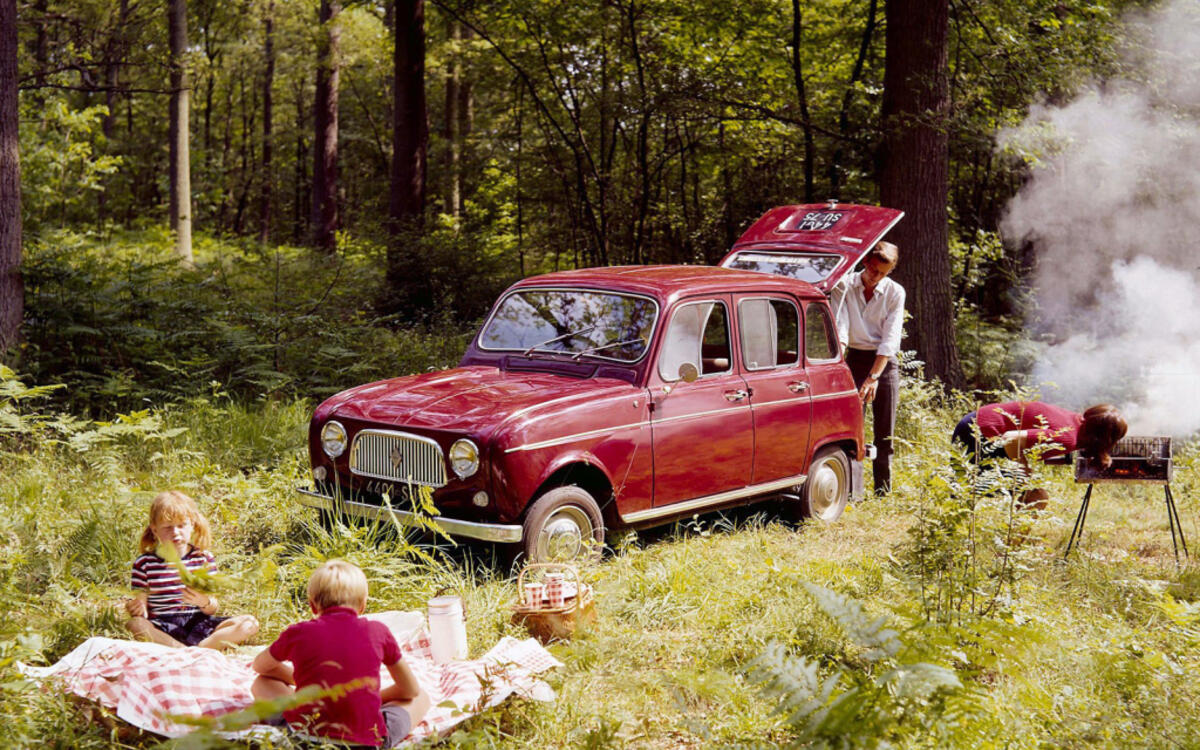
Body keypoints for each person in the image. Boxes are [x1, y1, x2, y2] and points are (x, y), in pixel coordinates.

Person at [251, 559, 431, 748]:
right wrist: (373, 697)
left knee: (262, 683)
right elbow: (410, 689)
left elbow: (260, 666)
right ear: (363, 605)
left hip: (305, 738)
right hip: (366, 742)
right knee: (421, 697)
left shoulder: (298, 632)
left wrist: (308, 685)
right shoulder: (378, 631)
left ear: (312, 606)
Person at [125, 490, 259, 649]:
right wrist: (137, 608)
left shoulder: (203, 559)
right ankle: (185, 650)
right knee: (135, 624)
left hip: (199, 624)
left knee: (249, 623)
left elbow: (212, 608)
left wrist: (204, 601)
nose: (175, 533)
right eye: (167, 527)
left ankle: (198, 648)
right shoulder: (145, 564)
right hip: (163, 627)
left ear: (192, 525)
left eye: (181, 526)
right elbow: (141, 608)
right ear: (155, 530)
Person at [951, 402, 1128, 507]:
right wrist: (1024, 472)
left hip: (975, 421)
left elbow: (1036, 442)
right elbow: (1012, 439)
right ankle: (1009, 553)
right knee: (1037, 498)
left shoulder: (1075, 422)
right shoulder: (1067, 437)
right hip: (979, 432)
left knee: (965, 488)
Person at [831, 241, 905, 495]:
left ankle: (883, 490)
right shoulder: (845, 285)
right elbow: (839, 328)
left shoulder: (895, 293)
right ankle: (854, 491)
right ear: (866, 263)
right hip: (854, 358)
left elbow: (890, 339)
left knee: (885, 429)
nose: (877, 278)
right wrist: (836, 365)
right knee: (853, 427)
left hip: (884, 364)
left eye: (884, 274)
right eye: (874, 271)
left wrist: (874, 377)